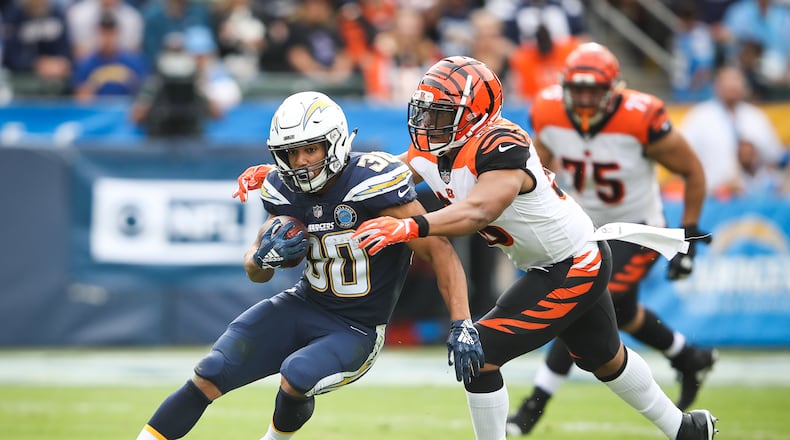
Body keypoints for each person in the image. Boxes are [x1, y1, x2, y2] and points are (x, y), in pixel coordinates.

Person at [351, 55, 719, 440]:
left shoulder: (499, 144)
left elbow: (478, 211)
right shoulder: (434, 149)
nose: (428, 124)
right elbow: (385, 178)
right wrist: (337, 179)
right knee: (605, 359)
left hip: (572, 264)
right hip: (560, 261)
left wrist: (409, 225)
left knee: (480, 355)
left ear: (474, 115)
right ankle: (686, 429)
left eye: (442, 114)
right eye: (426, 112)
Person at [134, 91, 484, 440]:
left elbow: (439, 252)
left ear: (335, 144)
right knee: (211, 370)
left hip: (356, 327)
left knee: (297, 374)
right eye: (290, 152)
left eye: (310, 149)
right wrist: (262, 258)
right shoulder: (281, 188)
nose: (300, 161)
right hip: (304, 303)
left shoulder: (373, 184)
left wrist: (461, 321)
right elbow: (255, 271)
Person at [505, 42, 718, 436]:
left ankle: (533, 406)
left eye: (594, 90)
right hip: (583, 227)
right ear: (565, 87)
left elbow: (692, 170)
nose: (585, 99)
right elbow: (541, 167)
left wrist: (687, 234)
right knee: (618, 310)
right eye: (578, 89)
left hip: (638, 227)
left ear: (615, 88)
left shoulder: (642, 117)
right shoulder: (548, 110)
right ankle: (690, 356)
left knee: (578, 301)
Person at [680, 66, 787, 198]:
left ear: (745, 86)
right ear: (716, 86)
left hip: (753, 196)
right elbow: (681, 156)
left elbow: (774, 156)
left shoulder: (756, 116)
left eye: (736, 80)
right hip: (711, 196)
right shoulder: (699, 116)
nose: (731, 85)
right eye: (726, 81)